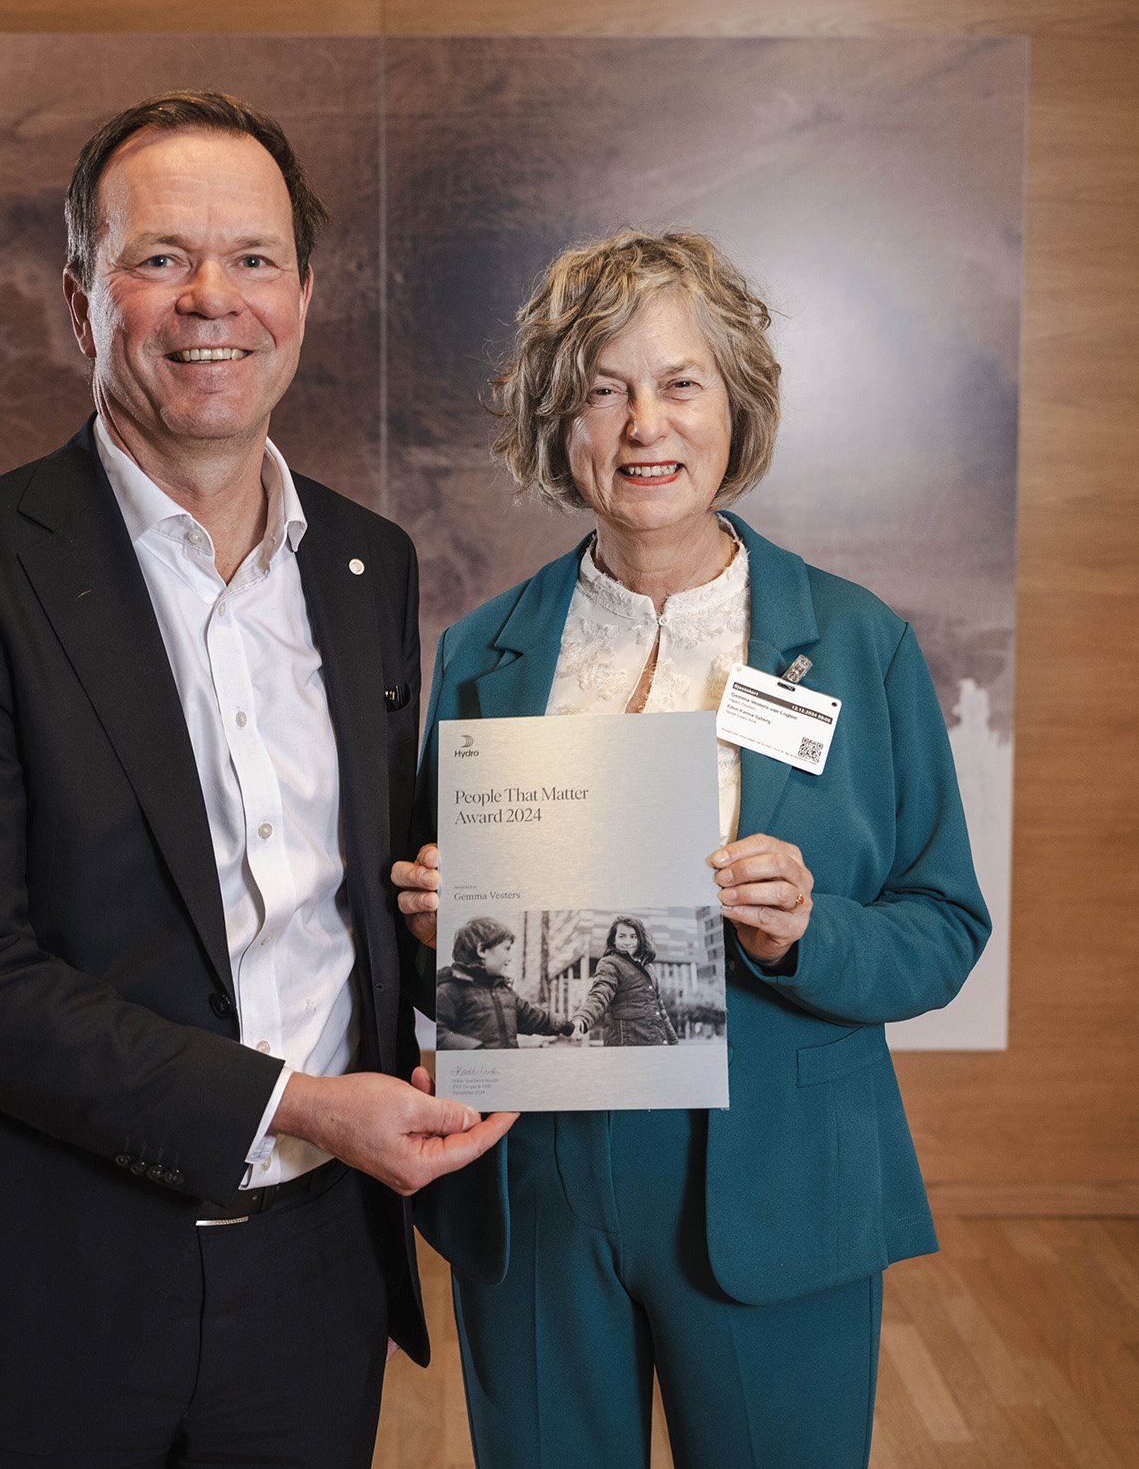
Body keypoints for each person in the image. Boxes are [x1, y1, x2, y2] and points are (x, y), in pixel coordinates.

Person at [0, 90, 511, 1469]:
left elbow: (355, 897)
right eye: (159, 259)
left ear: (303, 298)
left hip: (314, 1278)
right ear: (82, 304)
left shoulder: (367, 564)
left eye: (254, 258)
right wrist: (299, 1103)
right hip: (36, 1281)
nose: (213, 300)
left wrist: (465, 943)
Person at [392, 230, 990, 1468]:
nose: (642, 426)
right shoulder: (483, 652)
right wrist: (442, 932)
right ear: (557, 420)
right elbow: (433, 965)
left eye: (679, 383)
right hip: (533, 1184)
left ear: (737, 405)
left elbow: (942, 926)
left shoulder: (857, 642)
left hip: (777, 1180)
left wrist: (810, 932)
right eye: (601, 390)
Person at [436, 916, 573, 1050]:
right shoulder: (450, 990)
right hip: (477, 1065)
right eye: (506, 949)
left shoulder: (506, 993)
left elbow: (533, 1017)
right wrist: (473, 1049)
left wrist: (563, 1024)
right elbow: (437, 1034)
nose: (509, 958)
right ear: (482, 950)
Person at [570, 915, 679, 1046]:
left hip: (655, 1044)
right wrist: (582, 1018)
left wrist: (674, 1043)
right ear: (614, 940)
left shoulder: (649, 968)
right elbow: (599, 995)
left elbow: (661, 1012)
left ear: (640, 939)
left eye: (633, 937)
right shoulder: (610, 963)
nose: (628, 942)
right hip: (625, 1046)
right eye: (622, 936)